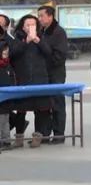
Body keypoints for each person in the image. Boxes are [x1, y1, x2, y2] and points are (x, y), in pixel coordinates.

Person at [9, 14, 53, 147]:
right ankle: (19, 137)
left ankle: (37, 137)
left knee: (41, 109)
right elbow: (13, 53)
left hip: (40, 80)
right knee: (21, 110)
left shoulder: (41, 38)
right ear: (23, 26)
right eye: (28, 25)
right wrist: (26, 41)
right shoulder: (17, 39)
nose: (30, 27)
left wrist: (37, 41)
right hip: (23, 80)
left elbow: (48, 52)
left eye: (33, 25)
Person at [36, 3, 69, 144]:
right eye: (39, 16)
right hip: (43, 74)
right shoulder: (41, 31)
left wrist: (42, 47)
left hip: (55, 73)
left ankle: (58, 133)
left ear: (50, 16)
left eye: (42, 16)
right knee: (44, 104)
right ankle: (44, 133)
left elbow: (59, 56)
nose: (40, 19)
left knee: (57, 103)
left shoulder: (58, 32)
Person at [0, 39, 13, 151]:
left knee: (5, 120)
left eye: (7, 53)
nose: (6, 55)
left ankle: (6, 141)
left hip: (6, 99)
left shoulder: (8, 66)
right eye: (4, 53)